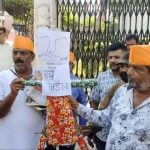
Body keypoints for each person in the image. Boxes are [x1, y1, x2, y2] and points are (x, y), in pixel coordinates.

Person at [69, 45, 150, 150]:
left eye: (137, 68)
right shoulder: (122, 91)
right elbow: (105, 117)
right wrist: (77, 106)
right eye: (130, 66)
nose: (129, 72)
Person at [0, 36, 44, 149]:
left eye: (23, 53)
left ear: (32, 57)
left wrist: (35, 92)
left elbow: (47, 112)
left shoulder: (41, 78)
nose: (18, 56)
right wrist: (12, 94)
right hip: (8, 143)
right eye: (15, 53)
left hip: (35, 143)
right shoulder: (3, 77)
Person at [89, 42, 128, 149]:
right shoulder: (102, 77)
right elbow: (94, 101)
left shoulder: (131, 78)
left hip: (124, 135)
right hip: (103, 134)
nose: (113, 60)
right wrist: (93, 125)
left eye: (116, 57)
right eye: (110, 57)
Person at [46, 52, 87, 150]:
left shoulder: (76, 82)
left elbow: (82, 103)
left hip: (69, 125)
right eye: (62, 64)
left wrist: (82, 125)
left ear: (72, 65)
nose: (64, 67)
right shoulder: (49, 80)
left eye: (68, 63)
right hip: (51, 124)